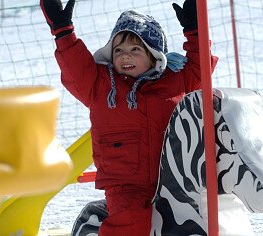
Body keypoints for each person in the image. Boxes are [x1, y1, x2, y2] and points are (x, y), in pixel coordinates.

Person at [40, 0, 218, 234]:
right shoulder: (100, 85)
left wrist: (195, 31)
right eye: (118, 51)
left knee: (193, 220)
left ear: (155, 55)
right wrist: (63, 31)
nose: (126, 57)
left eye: (136, 49)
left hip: (174, 179)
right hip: (125, 186)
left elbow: (200, 67)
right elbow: (76, 68)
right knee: (131, 223)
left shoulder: (174, 80)